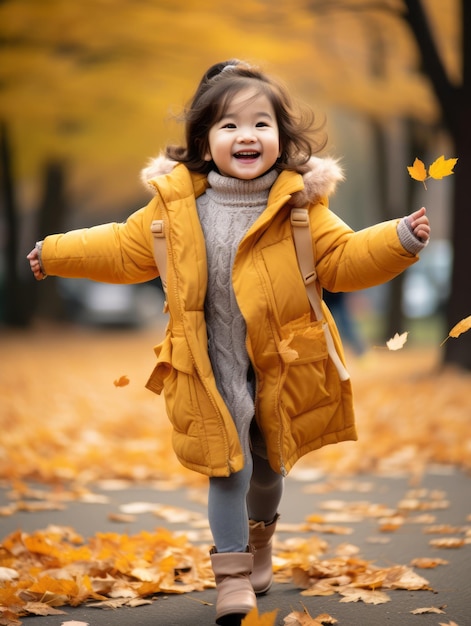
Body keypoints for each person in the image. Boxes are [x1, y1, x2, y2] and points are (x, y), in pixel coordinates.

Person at [28, 59, 430, 625]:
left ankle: (260, 538)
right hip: (206, 363)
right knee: (228, 468)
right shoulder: (174, 209)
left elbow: (342, 260)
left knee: (267, 470)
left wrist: (398, 240)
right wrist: (56, 250)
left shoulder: (300, 209)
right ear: (203, 142)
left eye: (262, 124)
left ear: (283, 140)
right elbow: (121, 247)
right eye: (228, 125)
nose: (247, 135)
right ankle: (232, 575)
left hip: (280, 363)